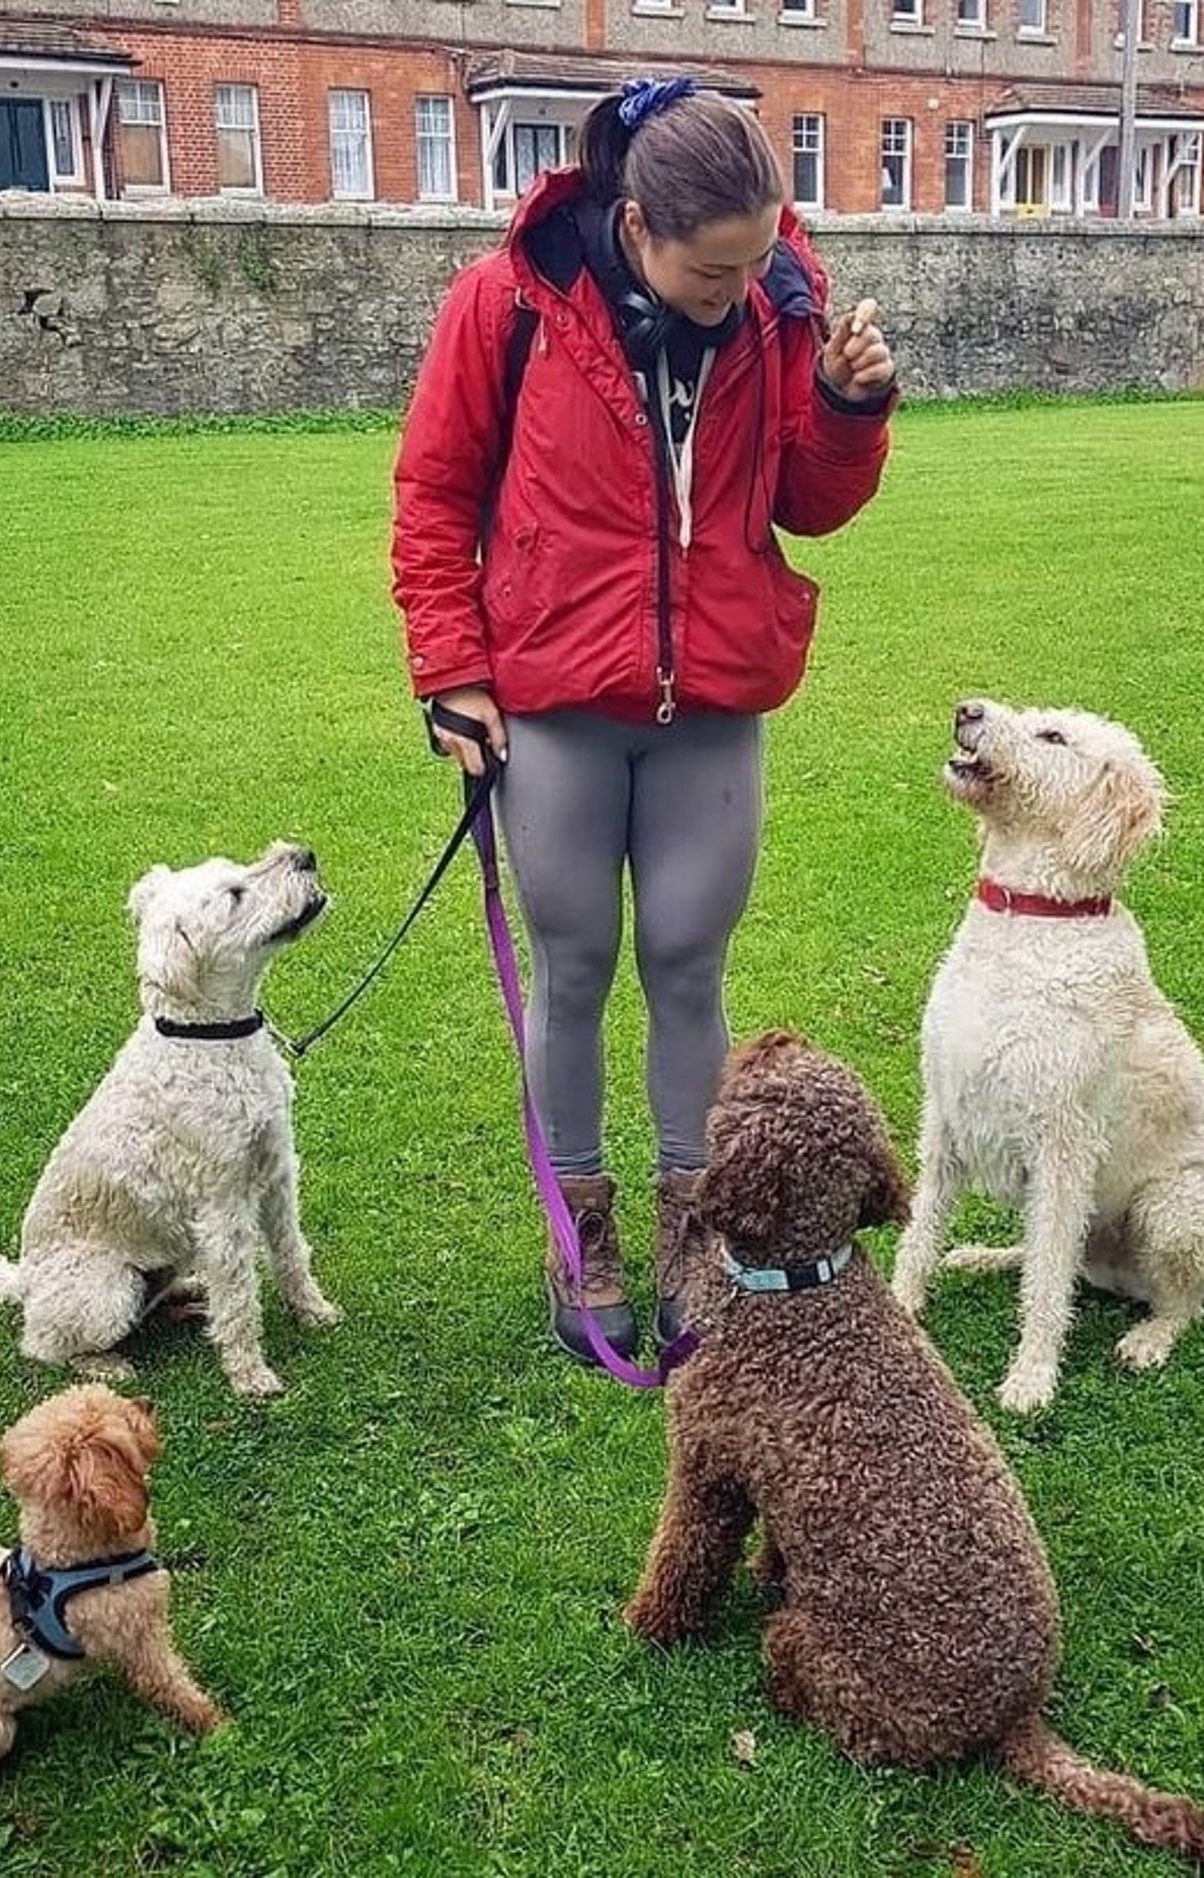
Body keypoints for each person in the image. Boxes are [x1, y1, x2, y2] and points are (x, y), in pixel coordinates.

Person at [391, 76, 898, 1366]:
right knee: (574, 966)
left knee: (687, 959)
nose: (745, 285)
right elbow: (436, 494)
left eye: (762, 255)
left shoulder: (782, 307)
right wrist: (453, 667)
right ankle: (582, 1239)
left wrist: (844, 406)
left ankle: (690, 1234)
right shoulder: (505, 307)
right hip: (554, 697)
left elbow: (807, 502)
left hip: (713, 697)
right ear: (634, 226)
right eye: (714, 267)